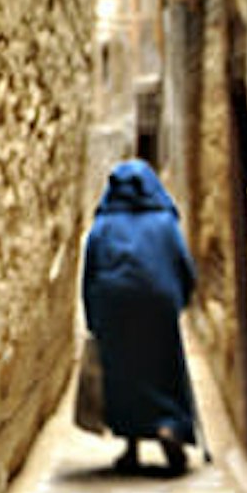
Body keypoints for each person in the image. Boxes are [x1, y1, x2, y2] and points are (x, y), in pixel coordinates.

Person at [80, 159, 200, 475]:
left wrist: (94, 318)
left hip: (114, 305)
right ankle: (167, 427)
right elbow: (183, 265)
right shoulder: (164, 222)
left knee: (123, 374)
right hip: (157, 304)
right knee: (163, 367)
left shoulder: (103, 226)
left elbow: (90, 272)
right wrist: (182, 299)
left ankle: (132, 443)